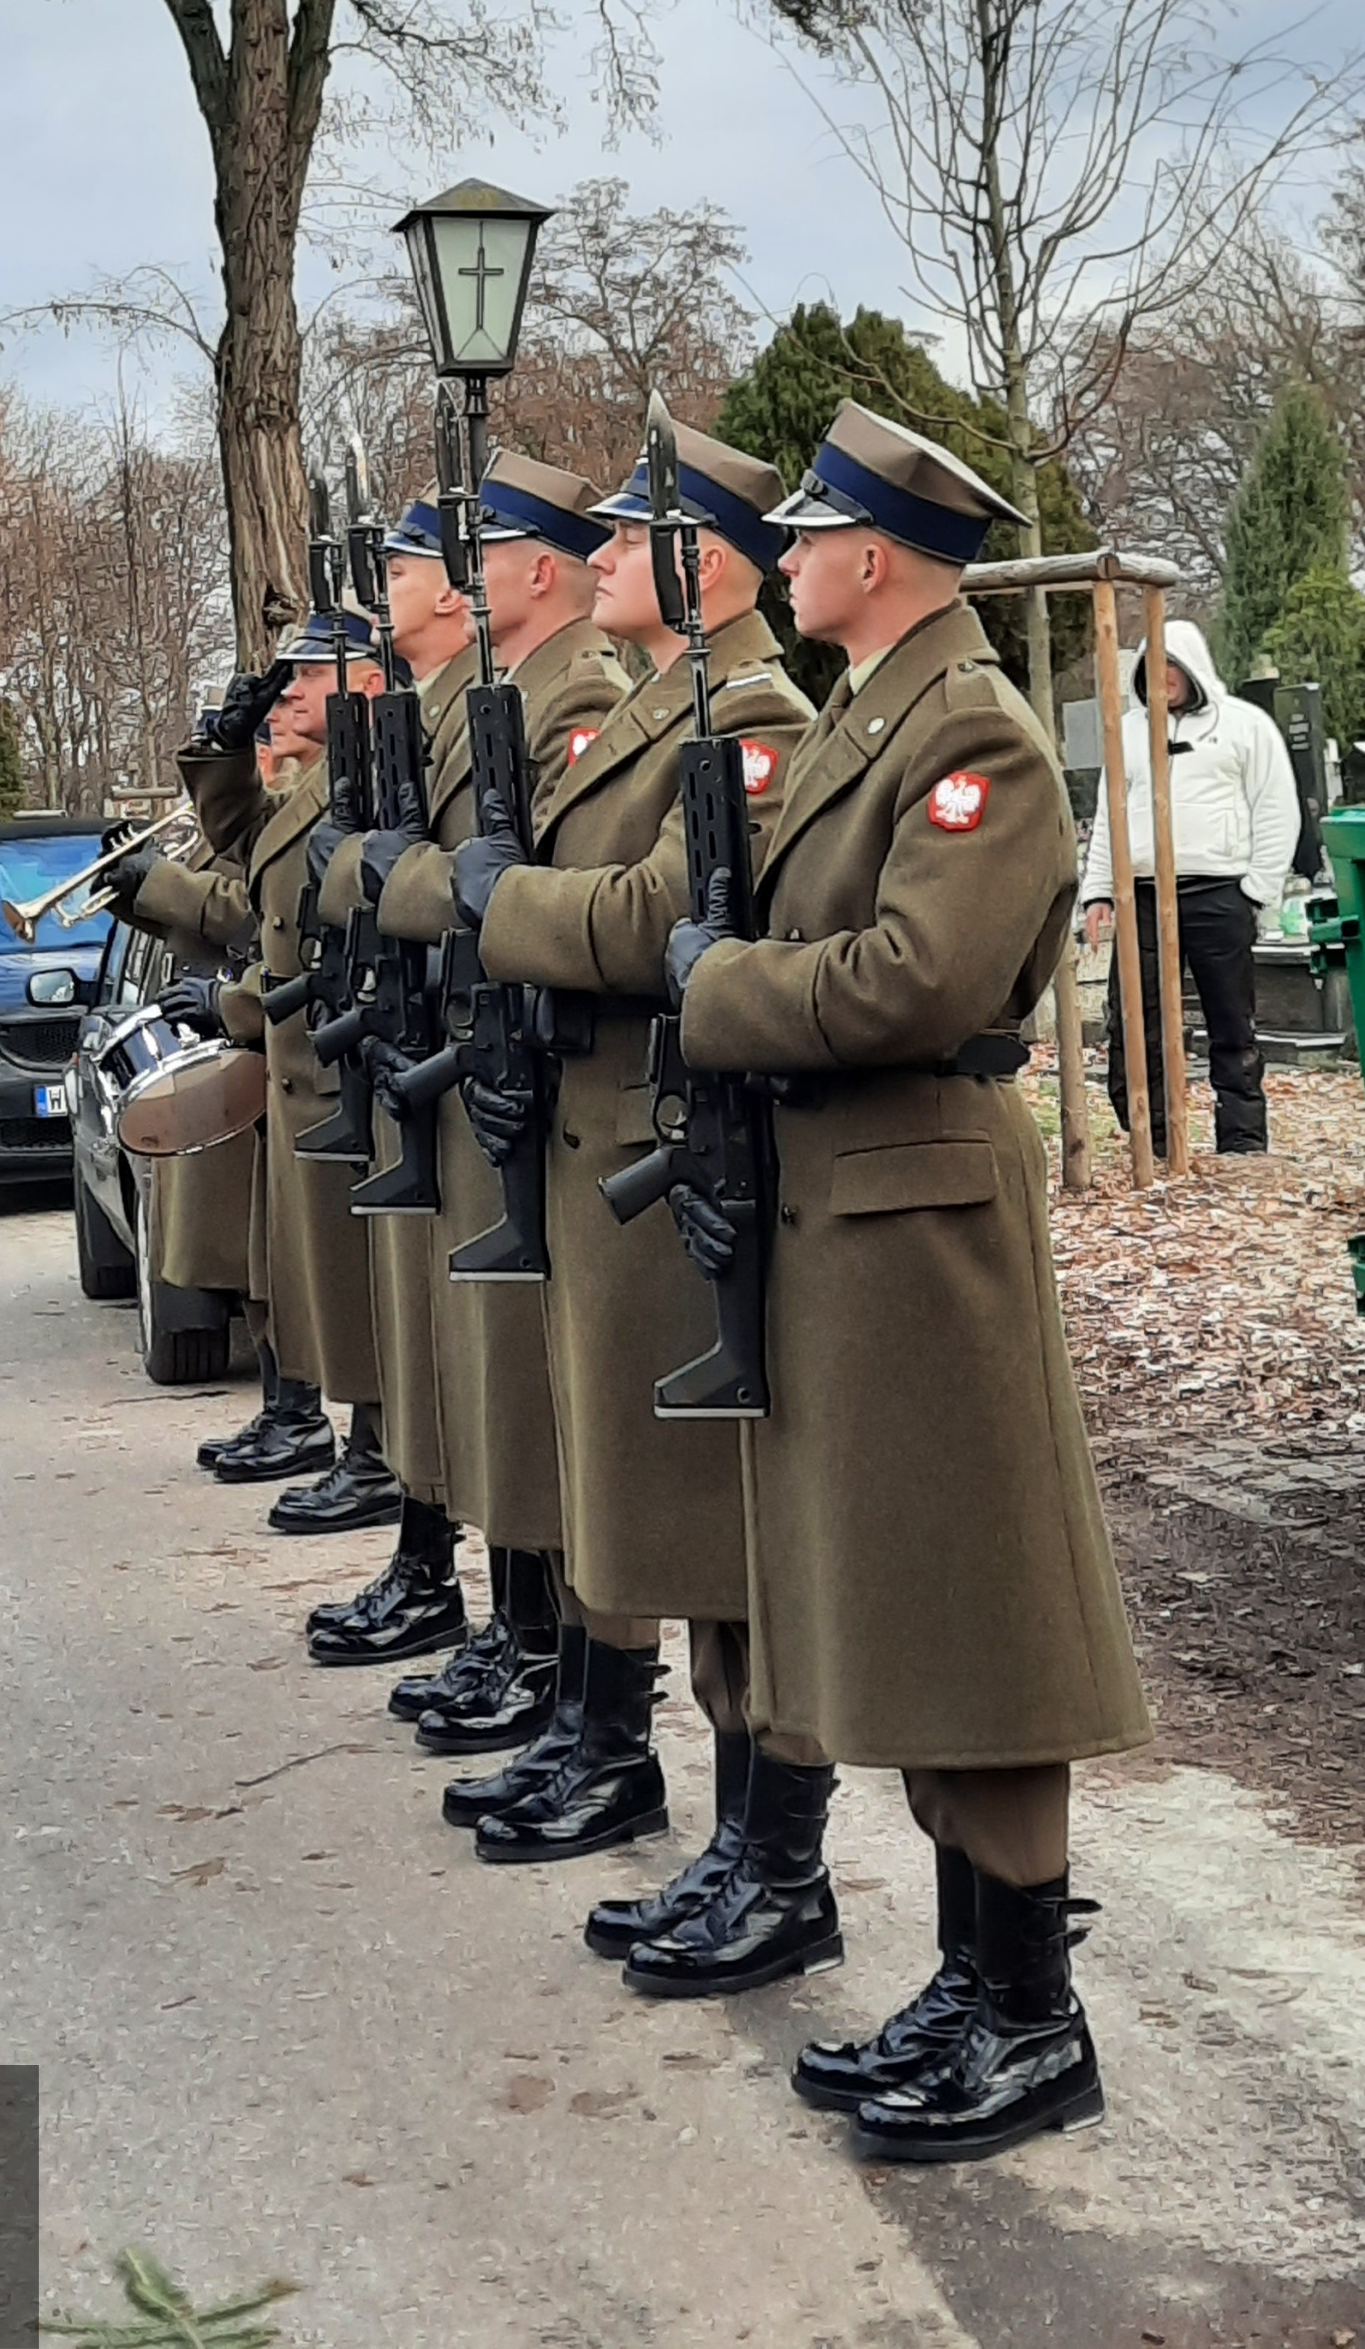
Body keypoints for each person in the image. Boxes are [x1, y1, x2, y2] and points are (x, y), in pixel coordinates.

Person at [671, 400, 1148, 2164]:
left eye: (806, 535)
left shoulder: (980, 740)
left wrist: (716, 985)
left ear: (875, 556)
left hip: (926, 1215)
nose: (781, 559)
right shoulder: (884, 714)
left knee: (983, 1613)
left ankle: (1034, 2012)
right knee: (922, 1603)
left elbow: (914, 980)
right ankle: (975, 1975)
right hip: (855, 1211)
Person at [437, 425, 819, 1965]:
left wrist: (504, 901)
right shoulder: (654, 705)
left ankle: (762, 1844)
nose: (598, 560)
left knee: (715, 1520)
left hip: (680, 1140)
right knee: (623, 1474)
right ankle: (652, 1773)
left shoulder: (750, 713)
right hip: (612, 1129)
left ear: (701, 559)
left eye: (624, 538)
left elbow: (671, 908)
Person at [304, 458, 629, 1688]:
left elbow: (500, 877)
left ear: (533, 569)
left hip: (527, 1064)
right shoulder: (480, 697)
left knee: (518, 1376)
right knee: (469, 1362)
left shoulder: (571, 697)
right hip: (449, 1052)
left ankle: (552, 1656)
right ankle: (508, 1620)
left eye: (461, 557)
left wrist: (394, 877)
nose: (432, 581)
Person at [201, 621, 397, 1529]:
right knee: (316, 1279)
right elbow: (250, 849)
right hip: (301, 1067)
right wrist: (222, 748)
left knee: (358, 1290)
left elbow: (250, 903)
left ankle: (375, 1457)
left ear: (363, 674)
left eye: (307, 673)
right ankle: (354, 1445)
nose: (284, 693)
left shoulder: (366, 771)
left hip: (338, 1061)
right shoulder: (309, 781)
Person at [113, 666, 301, 1474]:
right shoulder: (278, 803)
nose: (279, 715)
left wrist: (161, 883)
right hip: (247, 1035)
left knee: (285, 1256)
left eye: (296, 698)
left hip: (275, 1038)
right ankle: (283, 1405)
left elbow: (253, 916)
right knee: (255, 1255)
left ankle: (302, 1414)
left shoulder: (310, 800)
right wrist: (138, 895)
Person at [1080, 618, 1299, 1157]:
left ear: (1191, 667)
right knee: (1135, 1018)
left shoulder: (1245, 726)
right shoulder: (1126, 732)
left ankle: (1242, 1140)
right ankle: (1150, 1137)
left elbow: (1275, 808)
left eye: (1172, 666)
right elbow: (1110, 816)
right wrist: (1099, 892)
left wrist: (1256, 890)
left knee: (1230, 1020)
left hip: (1219, 893)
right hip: (1144, 896)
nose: (1164, 678)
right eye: (1152, 668)